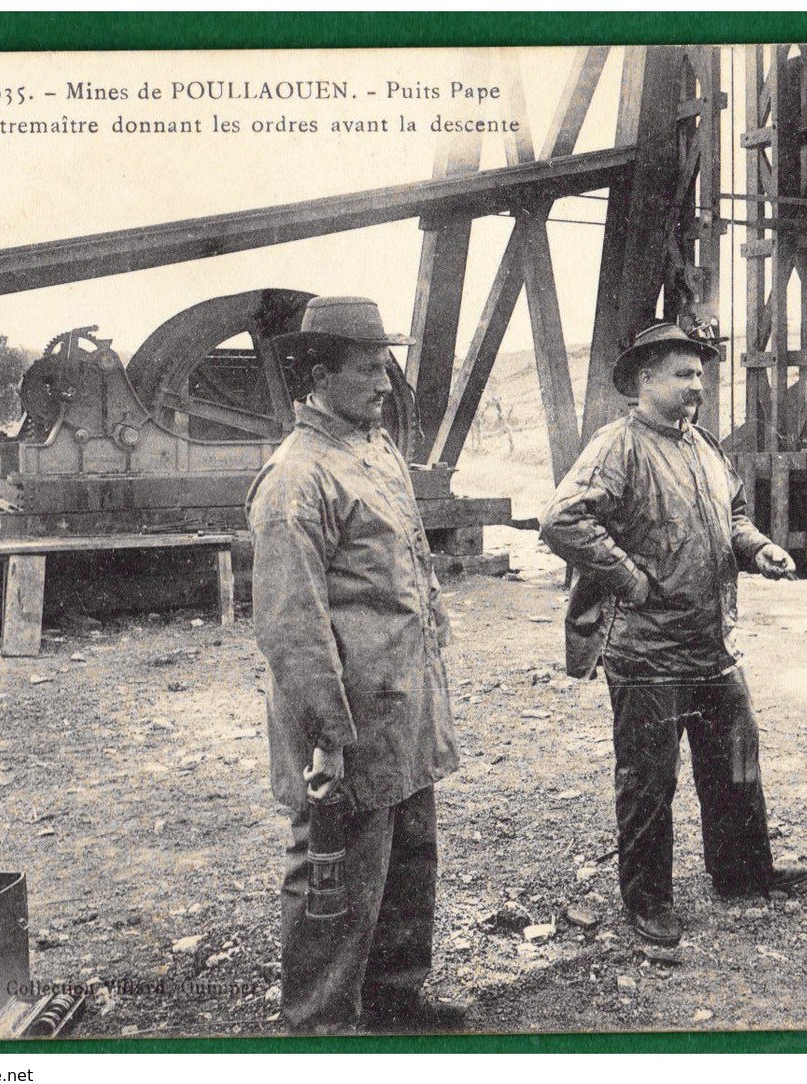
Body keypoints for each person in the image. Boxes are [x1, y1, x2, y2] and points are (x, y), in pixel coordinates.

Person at [539, 322, 807, 948]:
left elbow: (732, 515)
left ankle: (744, 873)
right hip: (646, 651)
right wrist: (630, 578)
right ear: (644, 381)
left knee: (736, 759)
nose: (697, 385)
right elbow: (562, 518)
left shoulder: (704, 446)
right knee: (648, 780)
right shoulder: (618, 447)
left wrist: (759, 548)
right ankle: (649, 899)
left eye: (699, 374)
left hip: (710, 644)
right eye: (683, 375)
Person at [247, 296, 466, 1034]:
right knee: (333, 882)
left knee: (409, 860)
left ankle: (397, 1002)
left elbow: (409, 565)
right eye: (369, 368)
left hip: (401, 704)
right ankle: (321, 1030)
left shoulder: (374, 452)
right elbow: (291, 626)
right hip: (348, 720)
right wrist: (326, 737)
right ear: (318, 372)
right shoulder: (295, 478)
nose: (384, 383)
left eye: (385, 365)